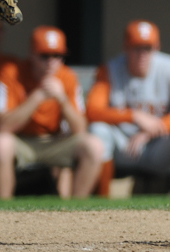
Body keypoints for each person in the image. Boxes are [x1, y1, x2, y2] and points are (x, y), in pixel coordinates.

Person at [87, 20, 170, 196]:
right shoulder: (109, 69)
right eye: (136, 48)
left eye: (147, 48)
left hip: (157, 146)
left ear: (156, 48)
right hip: (124, 145)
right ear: (125, 48)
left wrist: (154, 128)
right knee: (98, 130)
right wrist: (133, 115)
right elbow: (92, 111)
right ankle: (102, 204)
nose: (142, 54)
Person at [0, 26, 103, 200]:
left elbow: (80, 129)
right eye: (44, 56)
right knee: (1, 145)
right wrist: (37, 97)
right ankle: (4, 207)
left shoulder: (67, 77)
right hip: (21, 142)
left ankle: (77, 210)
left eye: (57, 56)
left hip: (55, 142)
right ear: (32, 55)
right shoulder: (12, 72)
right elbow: (4, 127)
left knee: (93, 146)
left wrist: (62, 99)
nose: (51, 62)